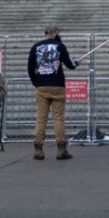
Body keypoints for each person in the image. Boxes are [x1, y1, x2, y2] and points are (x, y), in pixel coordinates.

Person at [27, 25, 79, 160]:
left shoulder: (36, 47)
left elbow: (30, 67)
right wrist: (77, 63)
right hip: (57, 85)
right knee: (58, 118)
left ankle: (38, 149)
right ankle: (61, 148)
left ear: (45, 33)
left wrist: (36, 82)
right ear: (55, 33)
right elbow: (70, 65)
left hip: (41, 86)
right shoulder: (60, 46)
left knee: (41, 118)